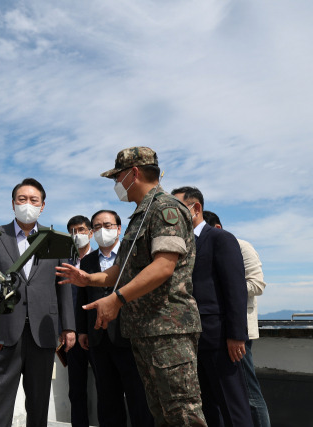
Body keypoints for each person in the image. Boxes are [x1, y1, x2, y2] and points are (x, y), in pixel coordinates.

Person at [56, 147, 206, 426]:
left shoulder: (165, 208)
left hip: (168, 332)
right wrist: (88, 279)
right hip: (145, 332)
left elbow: (163, 266)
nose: (116, 185)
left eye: (118, 177)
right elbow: (121, 270)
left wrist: (117, 299)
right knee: (160, 413)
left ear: (134, 173)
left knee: (182, 414)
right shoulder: (141, 214)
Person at [0, 178, 75, 427]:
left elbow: (64, 284)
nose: (27, 204)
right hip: (3, 330)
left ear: (42, 206)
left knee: (39, 404)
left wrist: (69, 326)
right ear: (12, 203)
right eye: (22, 199)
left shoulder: (56, 239)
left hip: (44, 330)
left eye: (33, 200)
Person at [172, 187, 252, 427]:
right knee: (205, 408)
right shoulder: (177, 245)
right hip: (188, 341)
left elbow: (235, 289)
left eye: (176, 209)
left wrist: (236, 335)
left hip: (219, 339)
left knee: (233, 405)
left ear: (196, 208)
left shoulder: (220, 239)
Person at [77, 210, 153, 427]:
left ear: (119, 229)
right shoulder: (88, 261)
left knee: (139, 397)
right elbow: (82, 297)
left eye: (108, 225)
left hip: (131, 336)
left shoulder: (132, 255)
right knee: (107, 399)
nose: (103, 230)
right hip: (98, 338)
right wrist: (82, 330)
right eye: (97, 227)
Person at [203, 211, 271, 427]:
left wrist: (226, 288)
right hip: (213, 332)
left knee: (249, 394)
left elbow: (257, 284)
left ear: (218, 228)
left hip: (238, 330)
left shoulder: (241, 246)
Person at [65, 215, 94, 427]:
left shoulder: (101, 260)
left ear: (91, 233)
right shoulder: (63, 264)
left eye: (82, 230)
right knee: (76, 390)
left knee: (108, 388)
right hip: (73, 335)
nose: (78, 235)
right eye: (73, 231)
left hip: (99, 331)